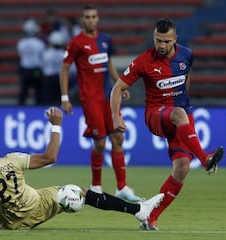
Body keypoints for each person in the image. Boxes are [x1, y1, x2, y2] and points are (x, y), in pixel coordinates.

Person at [0, 107, 164, 232]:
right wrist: (56, 125)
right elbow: (51, 157)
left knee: (1, 216)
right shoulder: (12, 159)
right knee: (79, 191)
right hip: (37, 207)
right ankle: (138, 210)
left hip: (12, 223)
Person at [110, 18, 224, 230]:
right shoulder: (144, 61)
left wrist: (183, 100)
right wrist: (116, 117)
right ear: (154, 38)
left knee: (182, 168)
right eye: (158, 40)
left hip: (180, 116)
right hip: (156, 116)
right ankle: (206, 159)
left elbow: (186, 78)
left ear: (175, 40)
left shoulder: (187, 55)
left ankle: (150, 217)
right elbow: (117, 88)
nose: (161, 46)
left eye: (166, 41)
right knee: (179, 114)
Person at [59, 5, 141, 202]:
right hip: (90, 99)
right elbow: (64, 70)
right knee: (100, 143)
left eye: (93, 16)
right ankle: (96, 186)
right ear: (82, 20)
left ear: (97, 19)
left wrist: (120, 84)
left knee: (118, 139)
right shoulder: (75, 43)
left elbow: (109, 64)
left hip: (108, 96)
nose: (90, 20)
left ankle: (122, 187)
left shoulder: (105, 39)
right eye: (87, 16)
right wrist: (64, 98)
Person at [17, 18, 45, 105]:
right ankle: (39, 106)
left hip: (25, 69)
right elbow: (41, 57)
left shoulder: (21, 43)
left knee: (24, 90)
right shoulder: (39, 43)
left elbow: (21, 55)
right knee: (38, 89)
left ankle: (20, 105)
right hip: (36, 69)